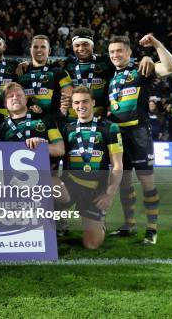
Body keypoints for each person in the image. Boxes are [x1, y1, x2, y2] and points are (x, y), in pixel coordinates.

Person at [107, 34, 172, 244]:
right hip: (119, 135)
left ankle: (152, 229)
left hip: (139, 133)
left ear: (129, 52)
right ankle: (129, 225)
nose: (115, 55)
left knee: (147, 182)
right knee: (125, 184)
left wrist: (155, 45)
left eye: (119, 50)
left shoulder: (142, 68)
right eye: (112, 52)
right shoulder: (112, 77)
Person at [59, 86, 123, 249]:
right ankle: (59, 220)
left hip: (94, 190)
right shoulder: (67, 128)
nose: (81, 106)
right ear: (72, 105)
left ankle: (99, 222)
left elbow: (117, 165)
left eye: (85, 101)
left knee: (91, 244)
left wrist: (109, 194)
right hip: (70, 183)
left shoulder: (110, 128)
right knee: (50, 188)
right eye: (77, 102)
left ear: (93, 102)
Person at [16, 35, 72, 117]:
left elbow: (68, 98)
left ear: (49, 51)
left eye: (43, 47)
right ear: (30, 50)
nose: (39, 50)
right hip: (26, 122)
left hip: (51, 121)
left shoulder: (59, 72)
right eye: (35, 47)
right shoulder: (21, 71)